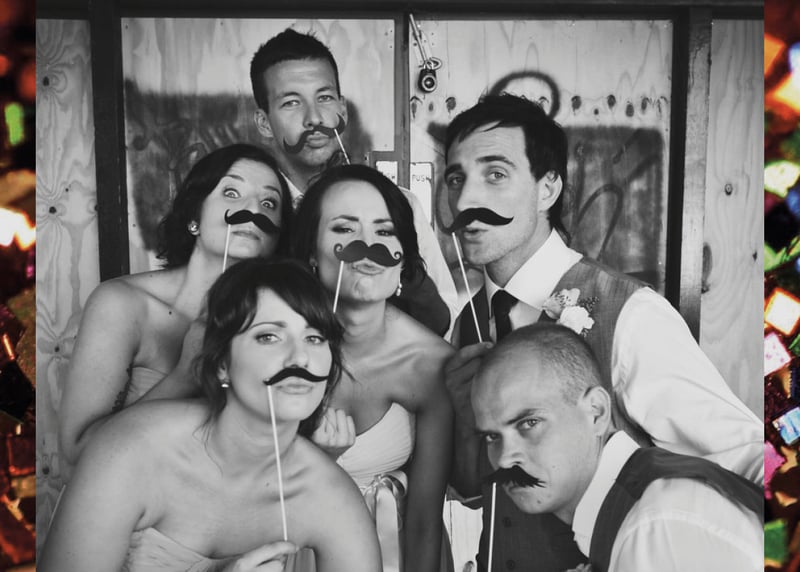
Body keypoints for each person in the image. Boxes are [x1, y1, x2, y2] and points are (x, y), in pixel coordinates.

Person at [442, 93, 764, 571]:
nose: (467, 200)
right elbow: (477, 491)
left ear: (548, 188)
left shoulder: (631, 313)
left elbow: (746, 459)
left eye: (495, 174)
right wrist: (463, 427)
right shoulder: (468, 322)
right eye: (456, 179)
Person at [39, 258, 382, 572]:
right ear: (221, 364)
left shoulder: (332, 497)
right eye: (269, 336)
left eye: (315, 338)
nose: (300, 357)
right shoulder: (133, 450)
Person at [58, 143, 293, 466]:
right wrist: (186, 374)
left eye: (269, 202)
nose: (254, 209)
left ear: (276, 237)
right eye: (231, 193)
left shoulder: (280, 322)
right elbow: (77, 453)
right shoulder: (122, 304)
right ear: (194, 217)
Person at [472, 323, 763, 572]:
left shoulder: (655, 524)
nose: (505, 459)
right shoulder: (640, 511)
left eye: (529, 423)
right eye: (492, 437)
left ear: (596, 412)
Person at [291, 164, 455, 572]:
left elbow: (424, 520)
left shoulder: (431, 363)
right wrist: (316, 460)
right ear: (311, 252)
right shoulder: (275, 344)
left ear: (403, 258)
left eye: (384, 232)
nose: (366, 246)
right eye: (344, 229)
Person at [249, 28, 459, 335]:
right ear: (264, 122)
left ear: (342, 109)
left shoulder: (398, 205)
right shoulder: (253, 217)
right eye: (291, 103)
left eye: (324, 98)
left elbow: (446, 318)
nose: (314, 118)